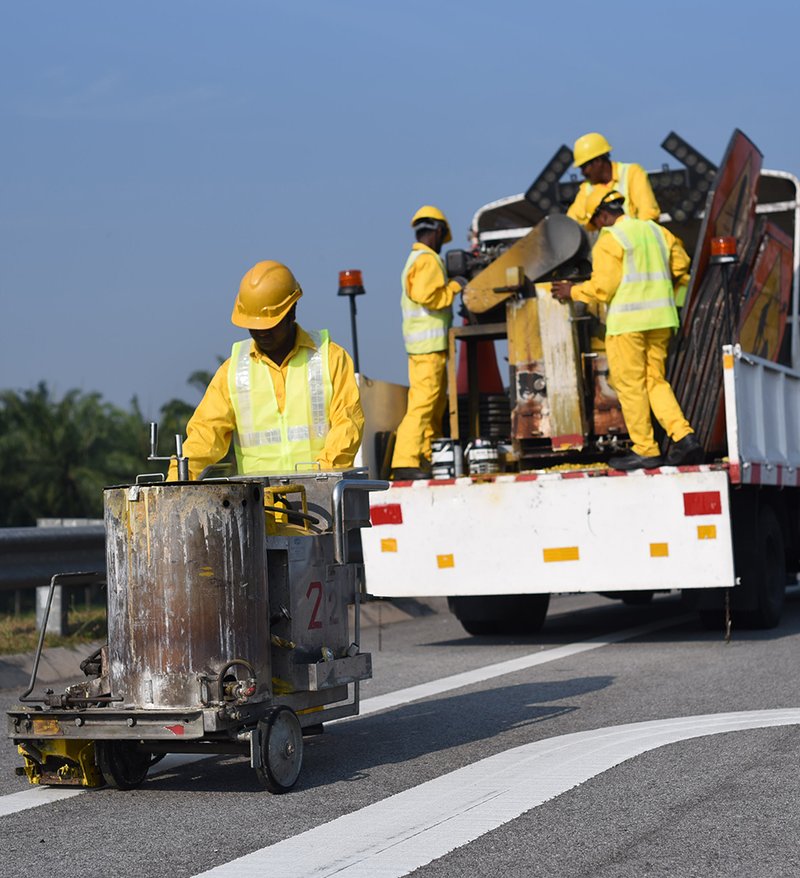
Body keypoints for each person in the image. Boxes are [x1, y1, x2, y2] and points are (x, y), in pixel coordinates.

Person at [167, 260, 364, 480]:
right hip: (258, 508)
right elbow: (204, 436)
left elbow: (348, 424)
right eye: (253, 325)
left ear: (292, 312)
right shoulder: (233, 371)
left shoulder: (331, 358)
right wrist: (175, 483)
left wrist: (322, 479)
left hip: (319, 503)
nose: (261, 332)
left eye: (270, 325)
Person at [552, 190, 702, 471]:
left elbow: (602, 288)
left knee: (630, 385)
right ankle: (683, 436)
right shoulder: (656, 231)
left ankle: (645, 449)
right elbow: (681, 263)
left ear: (602, 215)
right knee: (655, 381)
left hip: (628, 325)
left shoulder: (611, 240)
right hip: (660, 319)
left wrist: (572, 290)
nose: (596, 229)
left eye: (595, 223)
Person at [390, 206, 466, 480]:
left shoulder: (416, 259)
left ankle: (426, 458)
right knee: (423, 405)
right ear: (438, 231)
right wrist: (455, 286)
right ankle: (404, 461)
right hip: (428, 349)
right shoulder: (428, 259)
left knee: (433, 407)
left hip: (424, 349)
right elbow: (428, 296)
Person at [567, 132, 660, 229]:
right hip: (607, 243)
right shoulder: (587, 188)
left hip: (636, 241)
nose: (582, 173)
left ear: (598, 161)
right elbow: (571, 223)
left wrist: (636, 237)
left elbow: (649, 213)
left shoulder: (631, 173)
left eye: (584, 167)